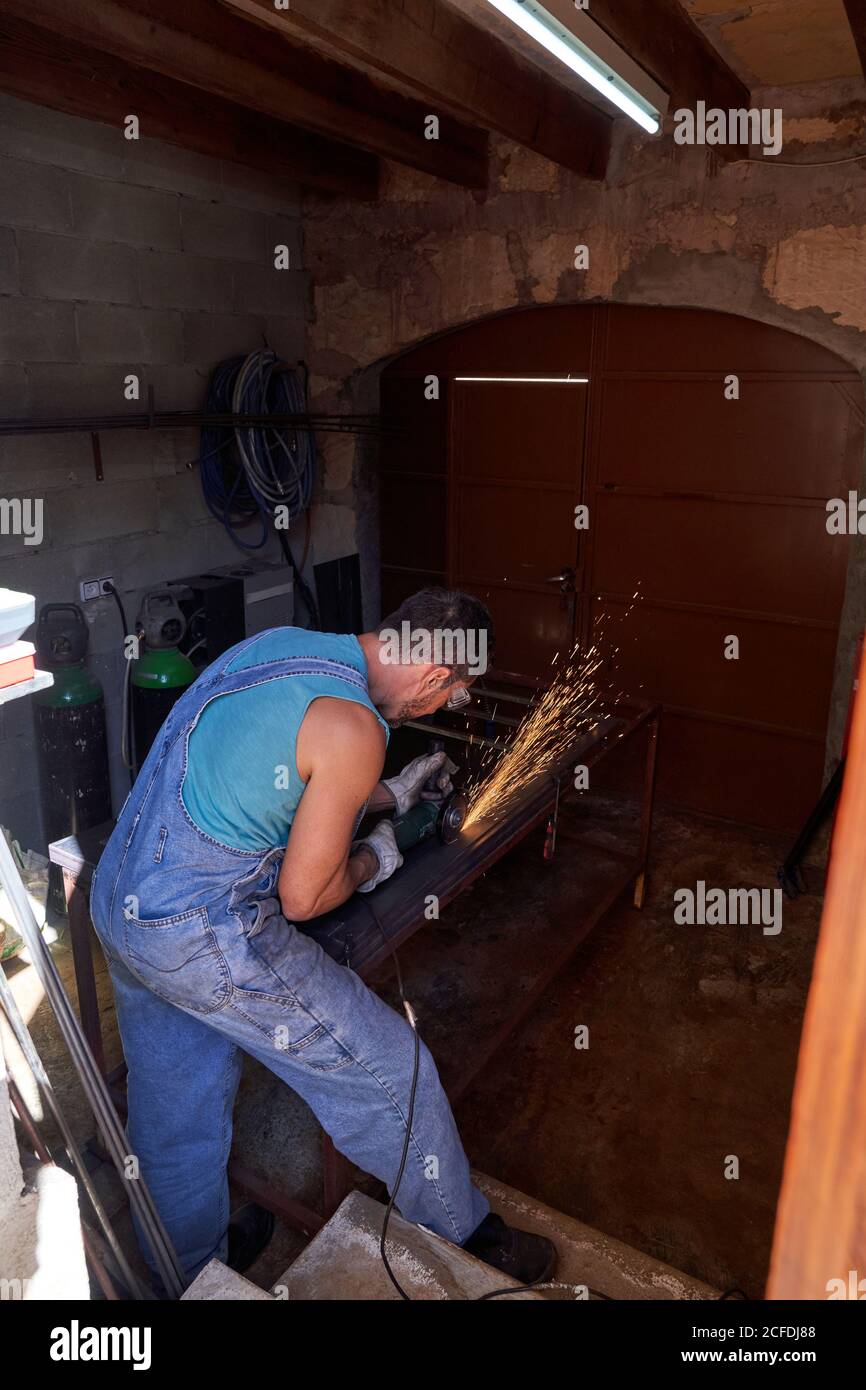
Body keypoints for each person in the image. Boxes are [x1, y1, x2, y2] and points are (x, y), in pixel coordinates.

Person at [90, 587, 555, 1290]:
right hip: (202, 936)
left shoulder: (286, 646)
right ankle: (473, 1238)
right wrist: (376, 859)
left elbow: (290, 768)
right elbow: (304, 897)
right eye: (454, 696)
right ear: (434, 676)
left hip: (123, 899)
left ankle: (183, 1275)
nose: (441, 710)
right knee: (394, 1073)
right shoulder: (358, 731)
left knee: (175, 1110)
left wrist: (389, 795)